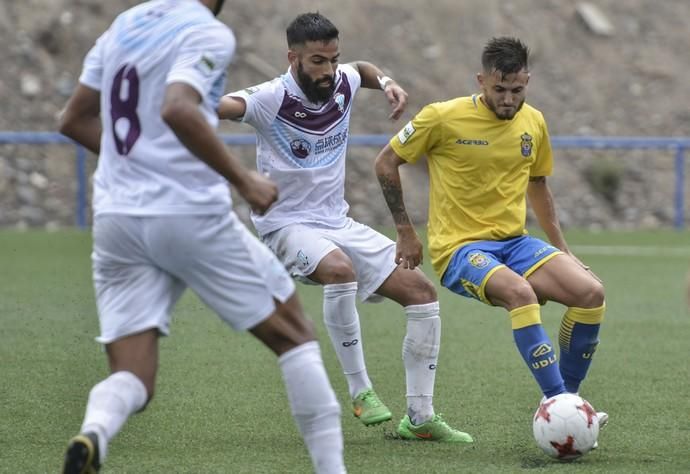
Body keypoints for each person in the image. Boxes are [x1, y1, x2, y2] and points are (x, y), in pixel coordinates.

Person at [58, 1, 345, 473]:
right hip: (187, 211)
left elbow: (72, 119)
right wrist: (243, 180)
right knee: (294, 334)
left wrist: (140, 163)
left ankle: (95, 432)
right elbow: (178, 107)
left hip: (117, 218)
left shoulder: (125, 24)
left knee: (134, 375)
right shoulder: (206, 32)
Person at [218, 12, 472, 443]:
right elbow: (224, 106)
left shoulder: (341, 82)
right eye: (318, 61)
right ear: (292, 57)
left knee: (422, 294)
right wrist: (180, 94)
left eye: (333, 59)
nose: (329, 70)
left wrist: (388, 82)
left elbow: (363, 71)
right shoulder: (269, 98)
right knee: (339, 270)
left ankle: (420, 417)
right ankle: (361, 391)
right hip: (286, 225)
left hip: (337, 221)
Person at [374, 37, 609, 426]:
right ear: (481, 81)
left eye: (517, 90)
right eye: (499, 89)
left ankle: (568, 406)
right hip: (459, 250)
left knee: (591, 293)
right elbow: (385, 163)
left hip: (514, 243)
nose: (508, 99)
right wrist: (405, 231)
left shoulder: (534, 121)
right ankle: (558, 405)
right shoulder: (442, 117)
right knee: (521, 293)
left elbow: (538, 185)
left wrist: (563, 249)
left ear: (527, 82)